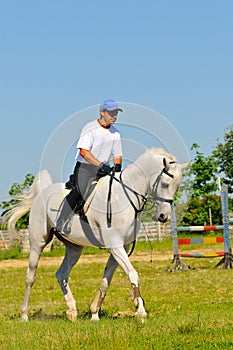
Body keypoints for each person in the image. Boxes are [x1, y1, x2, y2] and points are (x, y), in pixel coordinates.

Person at [56, 99, 123, 235]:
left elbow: (118, 156)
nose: (114, 116)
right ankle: (61, 221)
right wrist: (99, 165)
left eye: (116, 113)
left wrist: (117, 170)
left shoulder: (116, 133)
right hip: (85, 168)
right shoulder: (90, 128)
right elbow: (84, 151)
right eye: (111, 113)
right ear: (102, 112)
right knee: (79, 190)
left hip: (104, 170)